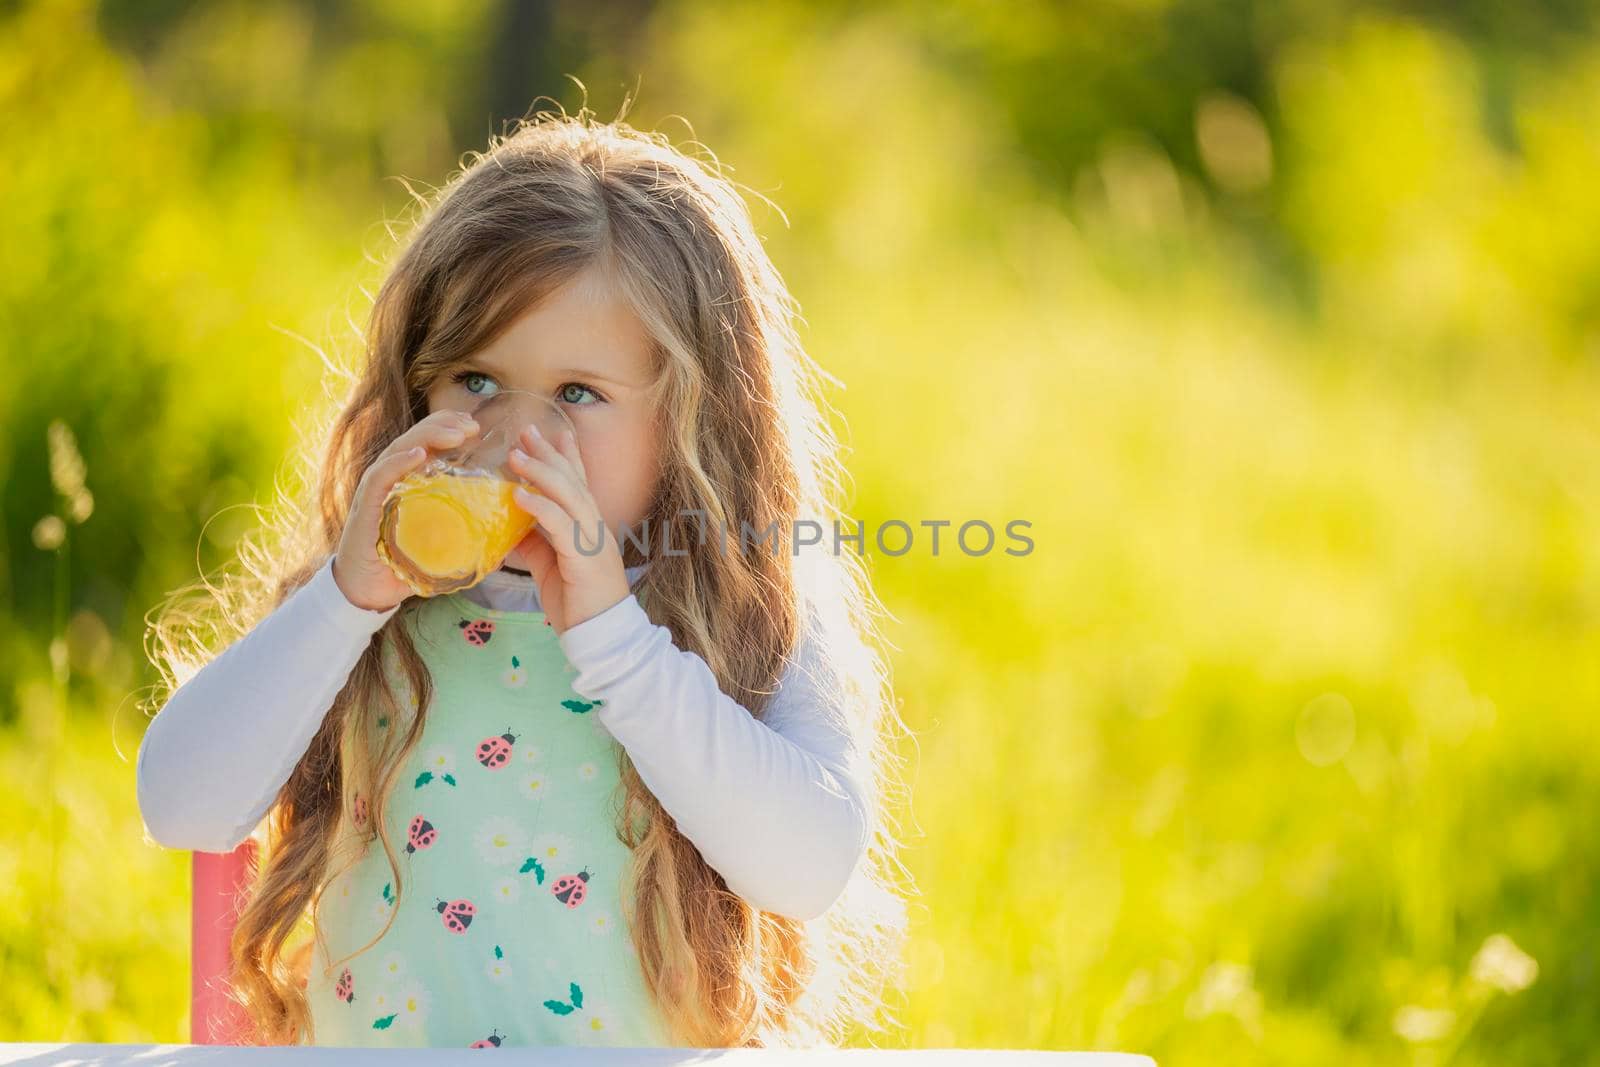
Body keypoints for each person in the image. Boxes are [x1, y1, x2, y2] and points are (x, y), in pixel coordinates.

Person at [136, 108, 912, 1049]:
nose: (515, 439)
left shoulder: (753, 604)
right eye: (474, 379)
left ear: (698, 417)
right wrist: (345, 598)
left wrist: (614, 637)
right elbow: (180, 804)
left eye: (578, 395)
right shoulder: (374, 601)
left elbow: (808, 865)